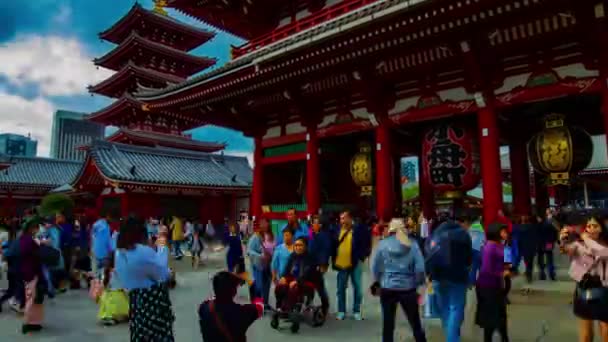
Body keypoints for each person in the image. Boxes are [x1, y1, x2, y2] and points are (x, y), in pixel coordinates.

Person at [115, 217, 174, 341]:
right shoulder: (142, 252)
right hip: (152, 303)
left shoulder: (119, 253)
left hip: (135, 302)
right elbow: (162, 274)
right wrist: (162, 247)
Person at [371, 218, 427, 342]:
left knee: (388, 324)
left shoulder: (383, 244)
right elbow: (420, 268)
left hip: (387, 287)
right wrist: (418, 284)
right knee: (415, 323)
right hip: (408, 288)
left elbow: (375, 266)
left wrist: (377, 281)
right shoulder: (413, 244)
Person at [561, 215, 608, 342]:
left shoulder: (604, 245)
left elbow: (602, 252)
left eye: (595, 226)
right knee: (586, 333)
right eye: (589, 226)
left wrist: (586, 239)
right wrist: (563, 240)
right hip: (584, 290)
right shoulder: (579, 244)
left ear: (601, 228)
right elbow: (567, 250)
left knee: (606, 330)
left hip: (604, 291)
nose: (591, 229)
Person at [426, 215, 473, 342]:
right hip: (458, 277)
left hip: (437, 277)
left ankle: (450, 335)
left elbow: (427, 256)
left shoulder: (434, 235)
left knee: (444, 308)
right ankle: (452, 338)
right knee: (456, 308)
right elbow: (469, 258)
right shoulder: (463, 235)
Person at [198, 271, 264, 342]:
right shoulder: (240, 312)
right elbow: (260, 307)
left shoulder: (204, 307)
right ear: (234, 291)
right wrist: (253, 286)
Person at [331, 211, 371, 321]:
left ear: (349, 218)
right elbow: (332, 244)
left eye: (344, 218)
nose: (342, 221)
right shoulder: (336, 230)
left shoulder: (359, 229)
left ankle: (356, 311)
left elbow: (367, 242)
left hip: (355, 263)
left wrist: (363, 256)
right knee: (340, 289)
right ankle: (341, 311)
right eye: (341, 219)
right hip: (341, 263)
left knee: (358, 288)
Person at [475, 223, 510, 342]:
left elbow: (505, 261)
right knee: (491, 317)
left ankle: (504, 338)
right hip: (488, 286)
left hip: (497, 285)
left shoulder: (500, 245)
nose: (506, 234)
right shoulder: (490, 247)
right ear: (496, 233)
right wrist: (501, 273)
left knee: (500, 315)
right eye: (503, 231)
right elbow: (487, 268)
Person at [275, 237, 318, 312]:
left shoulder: (310, 258)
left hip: (306, 282)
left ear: (305, 246)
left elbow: (307, 273)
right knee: (280, 286)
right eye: (296, 245)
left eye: (300, 245)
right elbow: (287, 269)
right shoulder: (292, 256)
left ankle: (289, 309)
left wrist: (297, 281)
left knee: (293, 288)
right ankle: (280, 307)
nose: (298, 247)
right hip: (293, 279)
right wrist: (283, 277)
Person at [20, 216, 44, 334]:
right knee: (32, 298)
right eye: (36, 228)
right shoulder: (28, 240)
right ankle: (28, 322)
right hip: (31, 272)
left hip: (27, 271)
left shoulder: (24, 239)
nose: (37, 230)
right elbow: (33, 255)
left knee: (33, 297)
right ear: (31, 228)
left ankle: (33, 322)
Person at [247, 217, 274, 310]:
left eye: (266, 223)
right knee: (258, 285)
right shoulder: (256, 236)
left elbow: (275, 247)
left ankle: (265, 303)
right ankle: (256, 306)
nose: (264, 225)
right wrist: (260, 255)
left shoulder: (271, 235)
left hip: (269, 264)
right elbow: (249, 250)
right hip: (258, 265)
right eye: (262, 223)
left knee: (267, 284)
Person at [308, 214, 332, 316]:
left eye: (315, 223)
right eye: (312, 222)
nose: (312, 224)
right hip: (310, 265)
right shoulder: (313, 235)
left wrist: (323, 264)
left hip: (318, 266)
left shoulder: (323, 236)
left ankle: (325, 306)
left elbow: (325, 251)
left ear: (320, 225)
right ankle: (309, 304)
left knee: (320, 287)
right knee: (309, 286)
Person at [96, 254, 129, 326]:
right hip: (119, 295)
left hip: (107, 296)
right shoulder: (119, 271)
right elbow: (124, 286)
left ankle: (109, 316)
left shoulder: (105, 271)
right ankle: (118, 316)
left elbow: (103, 285)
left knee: (109, 302)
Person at [538, 211, 558, 281]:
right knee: (549, 258)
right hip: (548, 243)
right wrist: (553, 240)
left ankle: (542, 274)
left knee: (541, 259)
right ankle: (551, 274)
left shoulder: (537, 225)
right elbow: (555, 232)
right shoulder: (549, 224)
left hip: (540, 244)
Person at [92, 212, 114, 277]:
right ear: (108, 216)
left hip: (96, 253)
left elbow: (92, 238)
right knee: (102, 275)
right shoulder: (106, 226)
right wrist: (110, 251)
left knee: (96, 274)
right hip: (103, 254)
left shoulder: (96, 225)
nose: (112, 220)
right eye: (111, 218)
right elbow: (107, 241)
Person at [466, 215, 485, 286]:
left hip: (473, 248)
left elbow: (468, 238)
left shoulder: (470, 227)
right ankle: (482, 281)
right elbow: (485, 238)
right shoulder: (482, 227)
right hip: (481, 248)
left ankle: (471, 282)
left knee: (473, 266)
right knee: (481, 266)